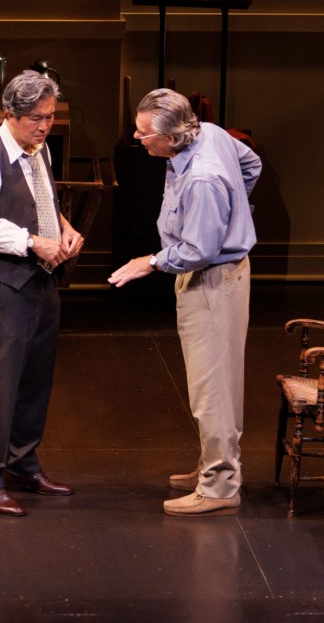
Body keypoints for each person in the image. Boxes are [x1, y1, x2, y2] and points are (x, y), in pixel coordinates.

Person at [109, 88, 260, 517]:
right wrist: (234, 210)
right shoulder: (208, 133)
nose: (138, 139)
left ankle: (218, 486)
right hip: (216, 277)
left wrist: (149, 261)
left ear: (173, 137)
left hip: (211, 281)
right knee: (215, 383)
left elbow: (197, 251)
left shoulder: (204, 178)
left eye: (143, 134)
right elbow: (252, 164)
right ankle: (215, 468)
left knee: (211, 390)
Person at [0, 70, 84, 517]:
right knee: (3, 383)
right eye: (35, 118)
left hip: (43, 281)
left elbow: (44, 200)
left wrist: (65, 229)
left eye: (49, 116)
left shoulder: (38, 150)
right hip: (5, 286)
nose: (44, 126)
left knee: (36, 380)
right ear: (9, 113)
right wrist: (31, 242)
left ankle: (22, 463)